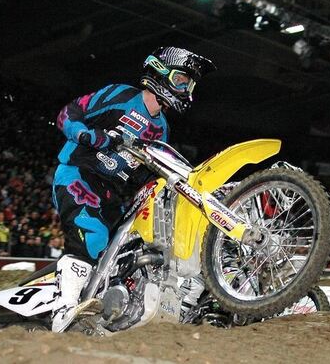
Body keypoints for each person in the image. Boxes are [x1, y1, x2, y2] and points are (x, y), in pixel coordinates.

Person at [50, 46, 215, 332]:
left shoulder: (161, 128)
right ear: (160, 73)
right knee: (93, 235)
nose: (186, 89)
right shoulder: (121, 95)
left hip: (114, 193)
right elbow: (68, 114)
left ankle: (107, 306)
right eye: (182, 81)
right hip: (79, 174)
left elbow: (147, 174)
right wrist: (91, 136)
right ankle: (62, 309)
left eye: (190, 84)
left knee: (125, 252)